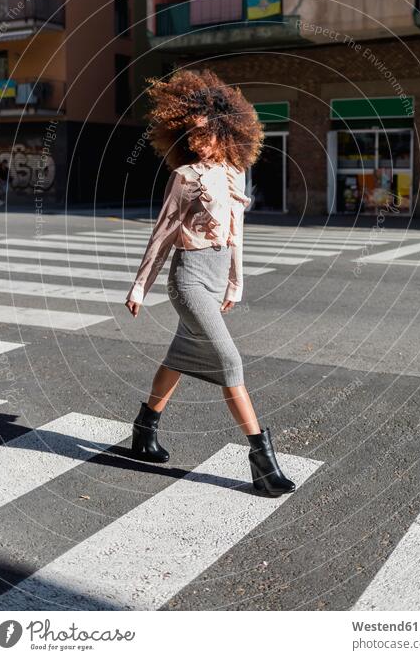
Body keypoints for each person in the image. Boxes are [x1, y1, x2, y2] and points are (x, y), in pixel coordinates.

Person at [125, 69, 295, 497]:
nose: (198, 142)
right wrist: (140, 285)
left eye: (205, 134)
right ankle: (261, 460)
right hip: (188, 280)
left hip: (217, 277)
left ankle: (144, 429)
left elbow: (237, 234)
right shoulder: (184, 177)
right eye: (192, 135)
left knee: (180, 357)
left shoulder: (234, 174)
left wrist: (236, 283)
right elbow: (162, 234)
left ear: (226, 131)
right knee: (230, 362)